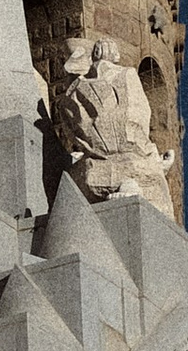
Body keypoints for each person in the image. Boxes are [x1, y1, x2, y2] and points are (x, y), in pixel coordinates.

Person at [52, 37, 173, 216]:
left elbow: (129, 125)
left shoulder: (121, 76)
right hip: (105, 169)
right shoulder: (74, 94)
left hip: (123, 165)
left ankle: (130, 181)